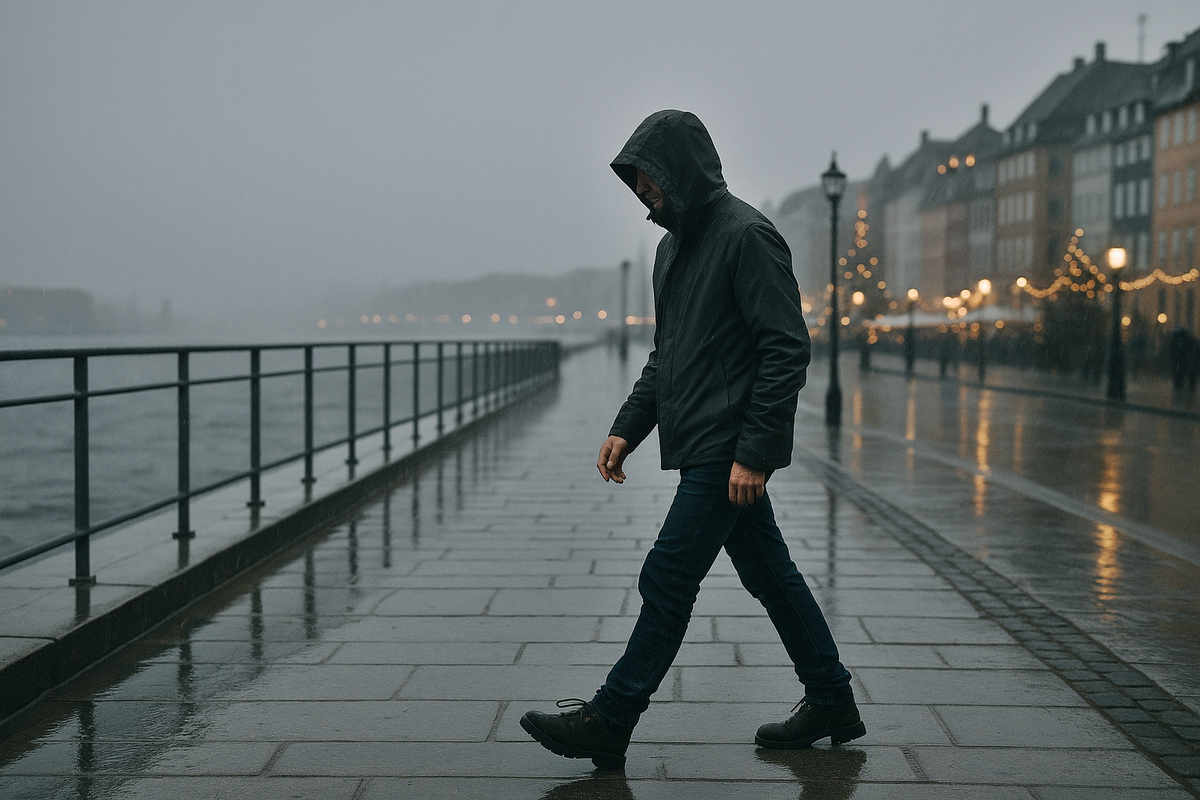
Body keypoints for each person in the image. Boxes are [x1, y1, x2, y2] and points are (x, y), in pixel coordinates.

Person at [520, 110, 864, 770]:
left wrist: (755, 453)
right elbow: (668, 356)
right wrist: (627, 427)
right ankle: (831, 700)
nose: (643, 192)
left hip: (727, 449)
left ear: (682, 169)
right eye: (637, 182)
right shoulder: (671, 250)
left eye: (650, 178)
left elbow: (786, 348)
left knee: (669, 574)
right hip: (707, 443)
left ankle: (611, 716)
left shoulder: (746, 235)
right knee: (772, 577)